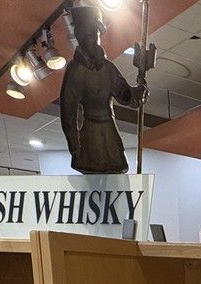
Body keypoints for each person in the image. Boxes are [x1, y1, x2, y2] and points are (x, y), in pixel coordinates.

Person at [60, 5, 146, 174]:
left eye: (95, 34)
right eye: (88, 34)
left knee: (118, 178)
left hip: (109, 130)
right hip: (89, 135)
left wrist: (140, 91)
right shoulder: (75, 72)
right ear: (79, 35)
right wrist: (75, 146)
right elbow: (67, 114)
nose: (92, 38)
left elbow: (125, 96)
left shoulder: (107, 68)